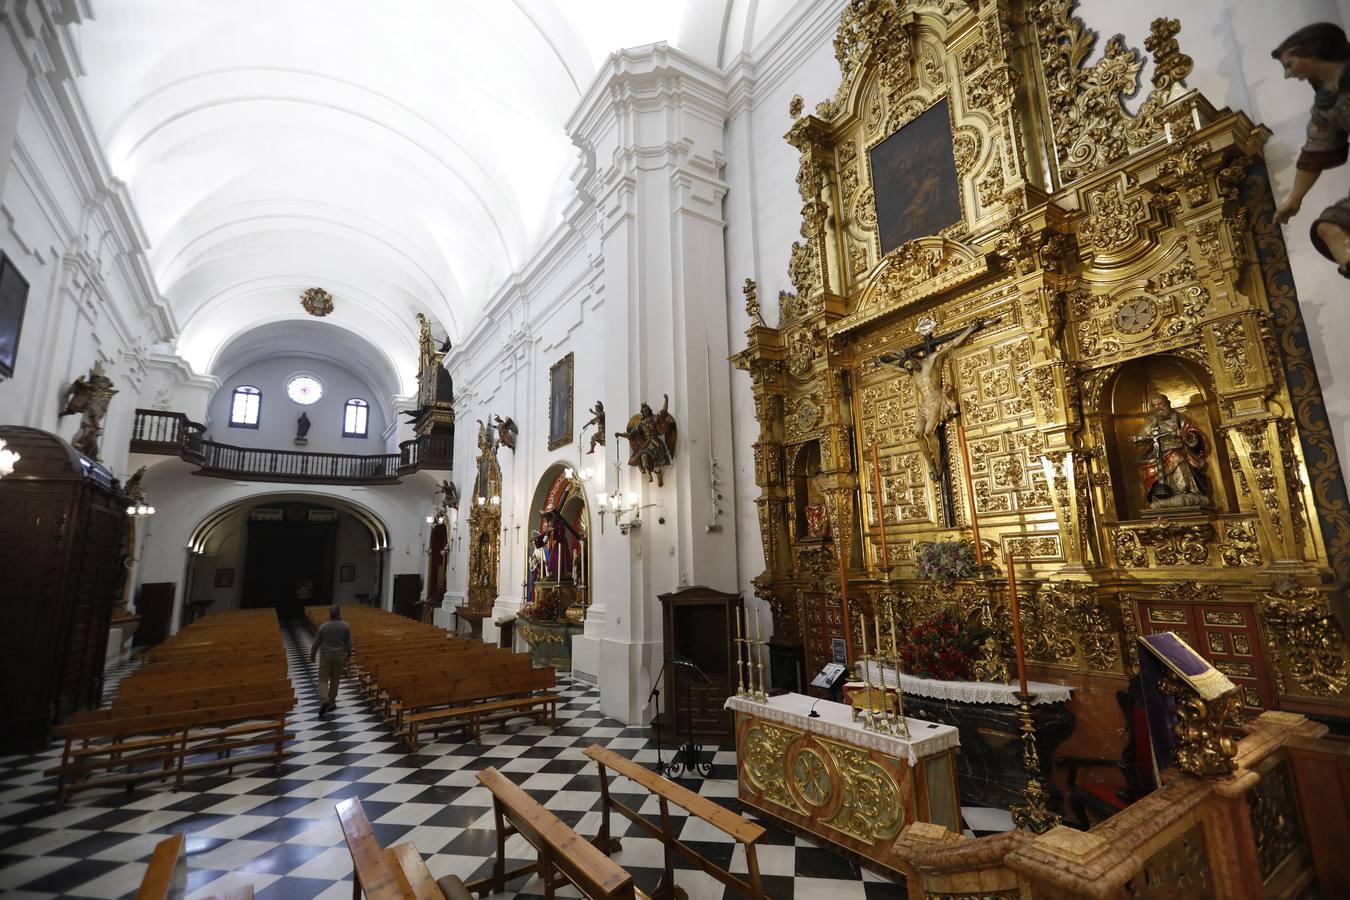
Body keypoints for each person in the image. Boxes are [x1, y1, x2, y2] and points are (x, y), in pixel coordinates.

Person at [1271, 23, 1350, 277]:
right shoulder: (1327, 102)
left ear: (1309, 52)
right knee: (1330, 227)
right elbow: (1317, 150)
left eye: (1289, 65)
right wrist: (1294, 198)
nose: (1287, 75)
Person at [1133, 394, 1212, 511]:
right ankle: (1164, 494)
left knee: (1177, 457)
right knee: (1153, 471)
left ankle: (1185, 490)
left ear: (1168, 404)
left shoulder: (1180, 418)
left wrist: (1187, 436)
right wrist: (1138, 440)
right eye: (1154, 405)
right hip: (1158, 455)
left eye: (1160, 404)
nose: (1158, 408)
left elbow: (1194, 433)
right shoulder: (1151, 422)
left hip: (1181, 451)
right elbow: (1142, 440)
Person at [310, 604, 353, 717]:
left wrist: (312, 655)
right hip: (339, 656)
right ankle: (332, 703)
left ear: (330, 614)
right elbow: (349, 643)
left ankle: (324, 700)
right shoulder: (346, 626)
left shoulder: (323, 627)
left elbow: (316, 643)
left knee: (323, 679)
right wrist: (349, 654)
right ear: (339, 613)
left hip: (326, 656)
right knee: (335, 680)